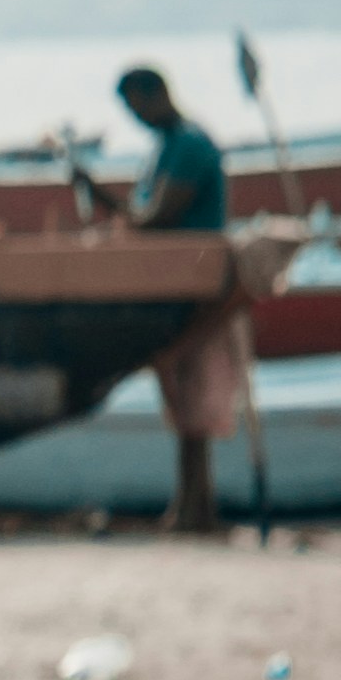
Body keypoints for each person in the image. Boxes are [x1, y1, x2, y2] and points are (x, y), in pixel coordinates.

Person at [116, 61, 244, 537]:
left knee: (197, 401)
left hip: (200, 292)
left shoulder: (189, 144)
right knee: (184, 403)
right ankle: (191, 507)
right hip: (178, 289)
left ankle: (197, 509)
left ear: (156, 94)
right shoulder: (168, 147)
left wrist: (116, 211)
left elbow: (159, 216)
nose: (137, 118)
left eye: (137, 107)